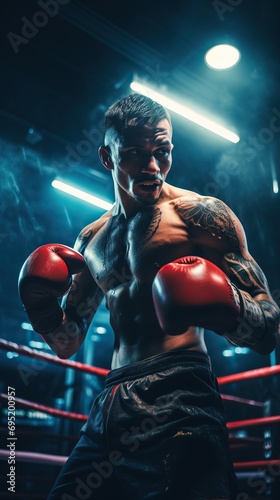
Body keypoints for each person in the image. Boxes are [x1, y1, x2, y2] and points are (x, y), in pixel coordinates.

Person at [18, 93, 280, 500]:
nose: (153, 166)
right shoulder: (92, 240)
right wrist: (39, 305)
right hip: (111, 401)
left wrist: (227, 305)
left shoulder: (203, 215)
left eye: (163, 151)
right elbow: (67, 342)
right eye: (136, 153)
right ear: (107, 158)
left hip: (181, 396)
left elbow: (269, 328)